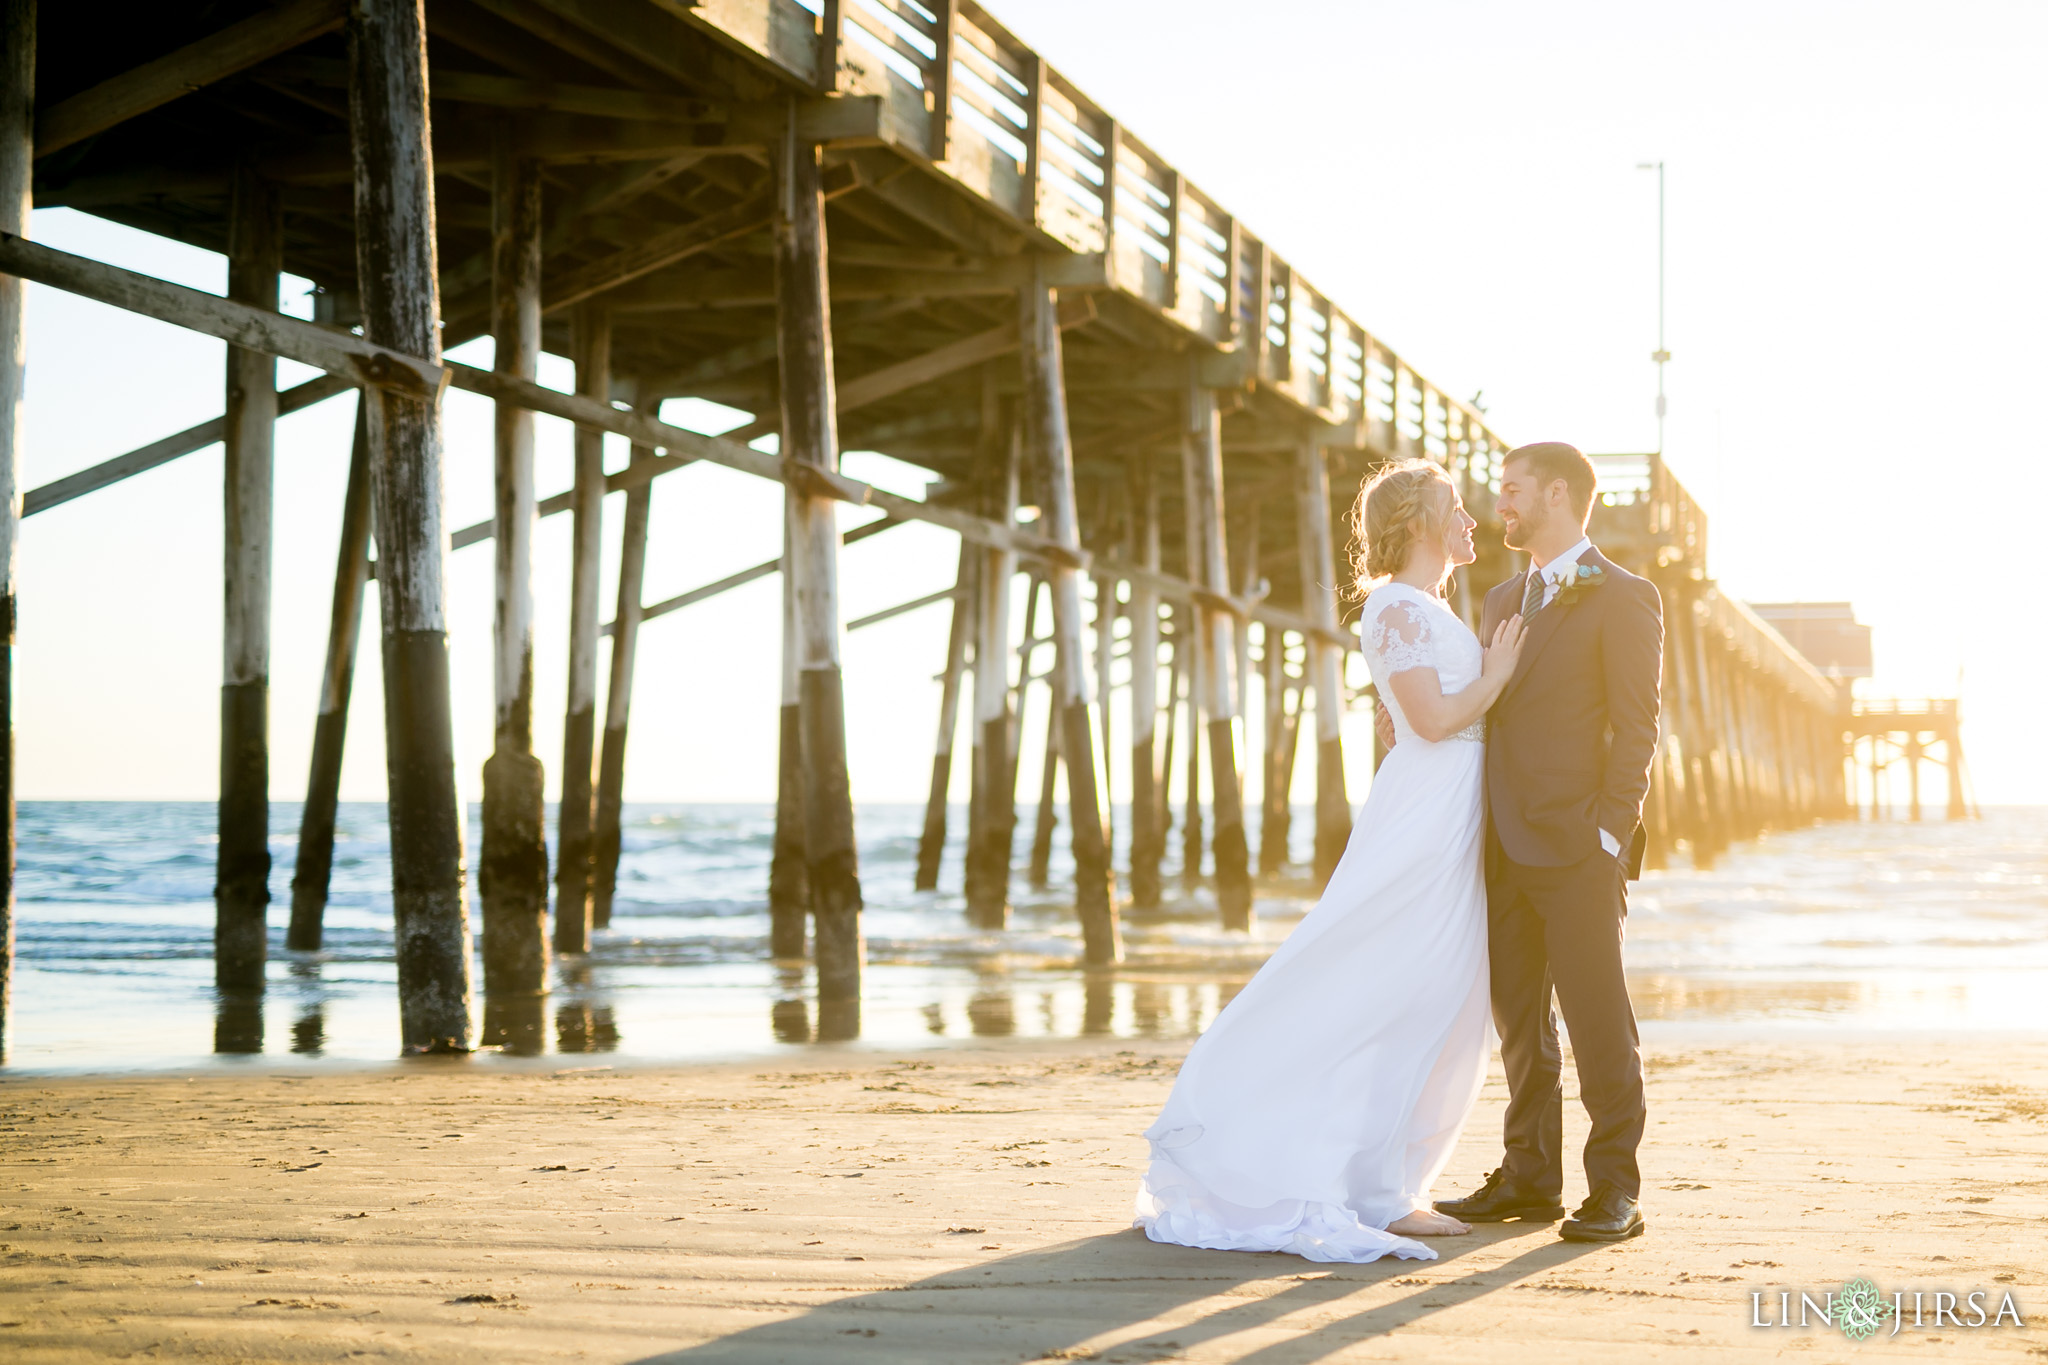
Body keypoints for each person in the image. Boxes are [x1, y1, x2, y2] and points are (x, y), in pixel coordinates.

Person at [1132, 459, 1526, 1263]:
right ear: (1418, 522)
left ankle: (1388, 1183)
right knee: (1388, 983)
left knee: (1441, 998)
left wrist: (1479, 681)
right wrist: (1499, 673)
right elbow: (1428, 719)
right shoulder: (1395, 605)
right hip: (1422, 820)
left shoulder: (1428, 608)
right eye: (1456, 507)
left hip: (1450, 814)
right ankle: (1363, 1183)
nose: (1472, 521)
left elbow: (1416, 715)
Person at [1428, 441, 1664, 1244]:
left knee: (1598, 1019)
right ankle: (1530, 1175)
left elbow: (1639, 727)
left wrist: (1609, 831)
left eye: (1512, 490)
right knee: (1521, 1025)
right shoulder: (1498, 599)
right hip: (1500, 845)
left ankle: (1616, 1189)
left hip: (1578, 847)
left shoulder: (1626, 597)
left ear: (1557, 495)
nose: (1501, 505)